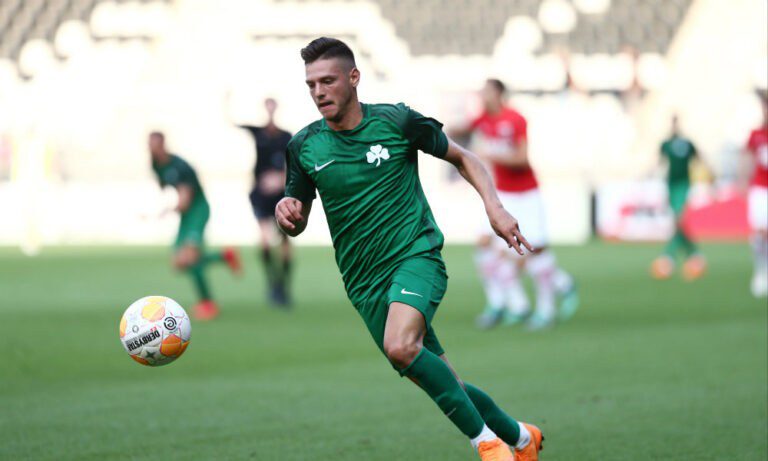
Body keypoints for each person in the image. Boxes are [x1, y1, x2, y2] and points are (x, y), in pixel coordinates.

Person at [275, 37, 543, 461]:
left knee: (401, 346)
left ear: (353, 77)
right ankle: (523, 438)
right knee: (441, 378)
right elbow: (298, 216)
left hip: (415, 255)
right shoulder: (304, 146)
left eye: (327, 81)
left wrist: (495, 208)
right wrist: (286, 212)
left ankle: (488, 445)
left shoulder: (396, 121)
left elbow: (464, 157)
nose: (319, 92)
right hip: (363, 281)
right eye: (311, 84)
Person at [453, 79, 577, 330]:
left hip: (526, 194)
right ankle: (505, 304)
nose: (482, 95)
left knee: (534, 251)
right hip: (503, 195)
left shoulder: (515, 119)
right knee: (485, 244)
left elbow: (522, 158)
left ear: (498, 93)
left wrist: (491, 154)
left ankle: (548, 306)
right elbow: (461, 129)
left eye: (487, 91)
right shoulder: (482, 119)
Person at [148, 131, 241, 320]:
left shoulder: (180, 166)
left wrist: (166, 211)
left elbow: (185, 200)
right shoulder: (156, 164)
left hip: (198, 210)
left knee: (189, 258)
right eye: (149, 145)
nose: (151, 148)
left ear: (163, 144)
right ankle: (224, 256)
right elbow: (164, 187)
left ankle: (207, 303)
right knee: (178, 262)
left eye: (154, 145)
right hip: (186, 214)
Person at [230, 97, 294, 306]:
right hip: (261, 195)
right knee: (265, 240)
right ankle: (272, 283)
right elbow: (232, 121)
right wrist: (227, 100)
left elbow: (294, 164)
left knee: (284, 241)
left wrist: (280, 179)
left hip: (281, 194)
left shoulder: (286, 136)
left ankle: (284, 286)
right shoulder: (258, 132)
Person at [650, 116, 707, 280]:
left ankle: (669, 255)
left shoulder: (687, 144)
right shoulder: (666, 144)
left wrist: (707, 175)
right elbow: (659, 161)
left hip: (683, 184)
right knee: (678, 222)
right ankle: (693, 255)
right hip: (671, 184)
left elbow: (699, 158)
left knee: (679, 220)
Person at [743, 93, 768, 297]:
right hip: (760, 188)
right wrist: (742, 182)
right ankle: (761, 272)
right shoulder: (756, 134)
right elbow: (747, 159)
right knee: (759, 233)